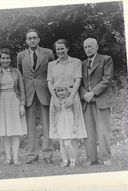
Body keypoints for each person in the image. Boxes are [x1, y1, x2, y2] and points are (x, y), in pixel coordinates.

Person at [17, 28, 55, 164]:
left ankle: (48, 154)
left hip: (45, 92)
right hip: (28, 93)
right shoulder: (21, 56)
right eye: (29, 38)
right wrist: (21, 96)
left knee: (47, 124)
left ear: (38, 39)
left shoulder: (48, 53)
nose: (32, 40)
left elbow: (53, 72)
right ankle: (32, 154)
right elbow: (20, 76)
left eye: (34, 38)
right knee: (30, 125)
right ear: (26, 41)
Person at [47, 39, 87, 167]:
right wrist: (55, 98)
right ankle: (65, 160)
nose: (60, 51)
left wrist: (71, 97)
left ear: (67, 48)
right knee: (61, 129)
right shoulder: (52, 65)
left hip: (72, 96)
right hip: (57, 98)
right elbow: (49, 82)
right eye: (57, 49)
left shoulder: (75, 62)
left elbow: (78, 80)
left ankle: (73, 159)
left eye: (62, 48)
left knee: (72, 131)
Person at [79, 38, 116, 166]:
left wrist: (92, 92)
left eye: (90, 46)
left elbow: (107, 80)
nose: (88, 49)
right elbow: (79, 83)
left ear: (96, 47)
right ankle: (91, 159)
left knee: (103, 130)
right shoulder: (82, 64)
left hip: (101, 100)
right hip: (86, 101)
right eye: (86, 47)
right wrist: (85, 94)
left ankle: (105, 158)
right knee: (88, 132)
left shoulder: (106, 59)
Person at [0, 48, 27, 166]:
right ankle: (7, 157)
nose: (5, 60)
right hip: (1, 102)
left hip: (14, 101)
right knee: (4, 130)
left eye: (7, 58)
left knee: (15, 130)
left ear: (10, 59)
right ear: (0, 60)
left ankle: (16, 157)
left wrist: (22, 104)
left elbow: (21, 89)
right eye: (3, 58)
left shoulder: (16, 72)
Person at [50, 84, 85, 168]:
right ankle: (65, 160)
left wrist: (75, 125)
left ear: (66, 90)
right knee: (61, 143)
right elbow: (52, 114)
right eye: (58, 91)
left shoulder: (72, 101)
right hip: (60, 124)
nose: (60, 93)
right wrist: (53, 126)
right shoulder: (56, 102)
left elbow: (76, 113)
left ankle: (73, 160)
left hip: (69, 124)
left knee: (67, 144)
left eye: (62, 90)